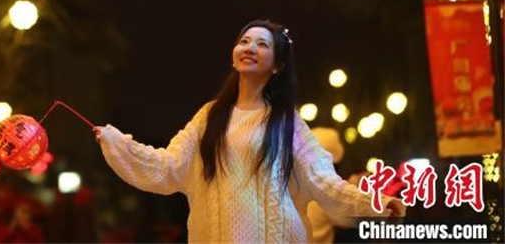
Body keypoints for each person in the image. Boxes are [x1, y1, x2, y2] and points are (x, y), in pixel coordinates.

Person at [95, 20, 405, 243]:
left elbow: (323, 181)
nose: (250, 48)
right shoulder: (209, 116)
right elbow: (169, 166)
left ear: (277, 64)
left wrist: (372, 203)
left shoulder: (287, 121)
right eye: (244, 41)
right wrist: (118, 142)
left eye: (262, 44)